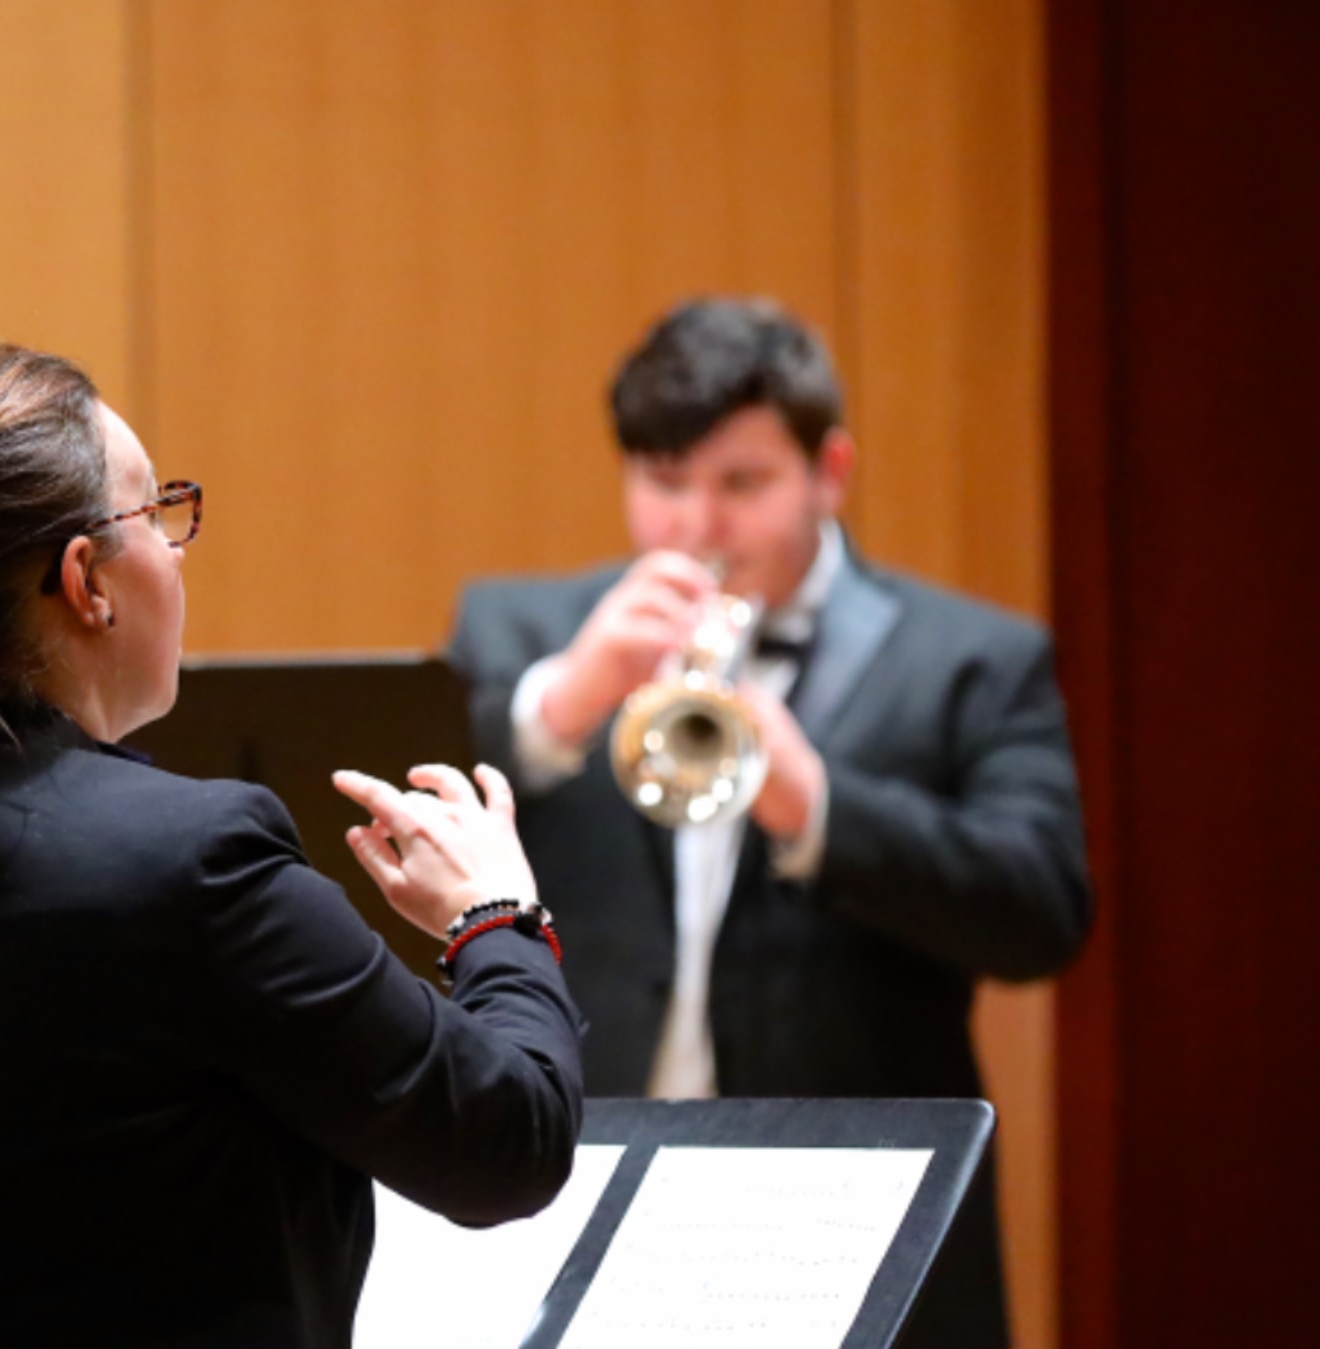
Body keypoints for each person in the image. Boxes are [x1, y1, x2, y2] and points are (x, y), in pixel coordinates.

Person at [0, 342, 584, 1347]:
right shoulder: (196, 863)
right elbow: (506, 1140)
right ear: (86, 579)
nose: (174, 550)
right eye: (155, 516)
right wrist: (494, 915)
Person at [446, 297, 1091, 1348]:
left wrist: (821, 807)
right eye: (664, 483)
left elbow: (1045, 911)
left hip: (846, 1215)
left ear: (829, 471)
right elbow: (402, 840)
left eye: (742, 484)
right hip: (580, 1193)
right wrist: (558, 709)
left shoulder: (974, 656)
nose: (695, 528)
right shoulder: (517, 633)